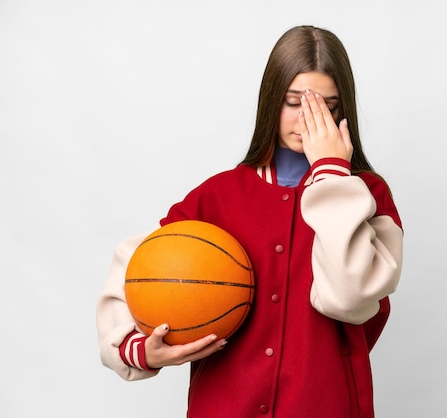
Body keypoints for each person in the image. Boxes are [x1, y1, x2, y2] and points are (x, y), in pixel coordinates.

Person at [97, 25, 403, 417]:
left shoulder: (369, 196)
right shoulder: (217, 196)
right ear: (271, 100)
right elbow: (137, 267)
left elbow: (348, 298)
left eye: (328, 107)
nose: (309, 119)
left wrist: (330, 173)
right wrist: (139, 349)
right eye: (295, 102)